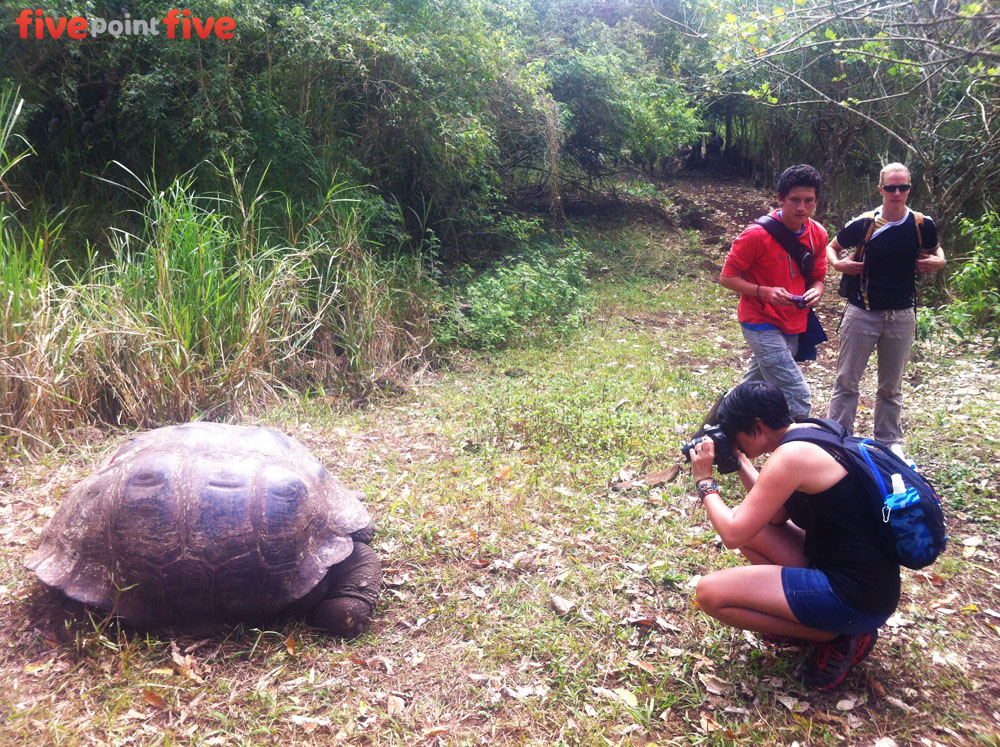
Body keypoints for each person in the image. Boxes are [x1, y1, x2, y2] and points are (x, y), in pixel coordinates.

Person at [689, 382, 899, 690]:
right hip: (866, 581)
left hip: (853, 596)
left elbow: (732, 534)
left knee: (710, 594)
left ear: (757, 426)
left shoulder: (790, 458)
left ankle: (838, 636)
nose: (736, 443)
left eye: (736, 436)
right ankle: (815, 620)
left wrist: (705, 481)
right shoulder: (813, 432)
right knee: (755, 530)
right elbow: (775, 515)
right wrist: (741, 461)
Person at [826, 163, 945, 457]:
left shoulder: (921, 224)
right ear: (880, 190)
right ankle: (837, 438)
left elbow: (937, 251)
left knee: (891, 387)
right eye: (890, 187)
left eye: (902, 187)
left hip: (902, 314)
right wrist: (838, 264)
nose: (896, 193)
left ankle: (889, 442)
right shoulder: (865, 223)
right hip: (862, 312)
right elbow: (832, 247)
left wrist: (938, 262)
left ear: (909, 189)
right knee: (847, 381)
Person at [719, 164, 828, 420]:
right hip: (759, 321)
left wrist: (816, 291)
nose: (802, 207)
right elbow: (726, 278)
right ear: (780, 198)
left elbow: (818, 278)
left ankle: (720, 429)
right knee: (796, 396)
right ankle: (796, 452)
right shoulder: (755, 235)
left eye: (808, 200)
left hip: (793, 322)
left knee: (750, 389)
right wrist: (763, 291)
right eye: (795, 200)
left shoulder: (818, 234)